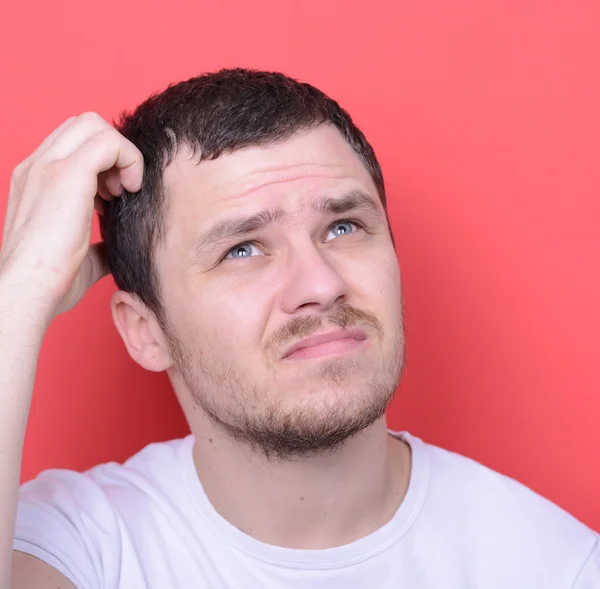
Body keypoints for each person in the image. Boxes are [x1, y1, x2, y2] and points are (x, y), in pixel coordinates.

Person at [0, 68, 598, 589]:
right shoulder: (81, 548)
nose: (319, 284)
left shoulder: (552, 568)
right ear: (144, 331)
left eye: (343, 227)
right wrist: (22, 288)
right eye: (241, 249)